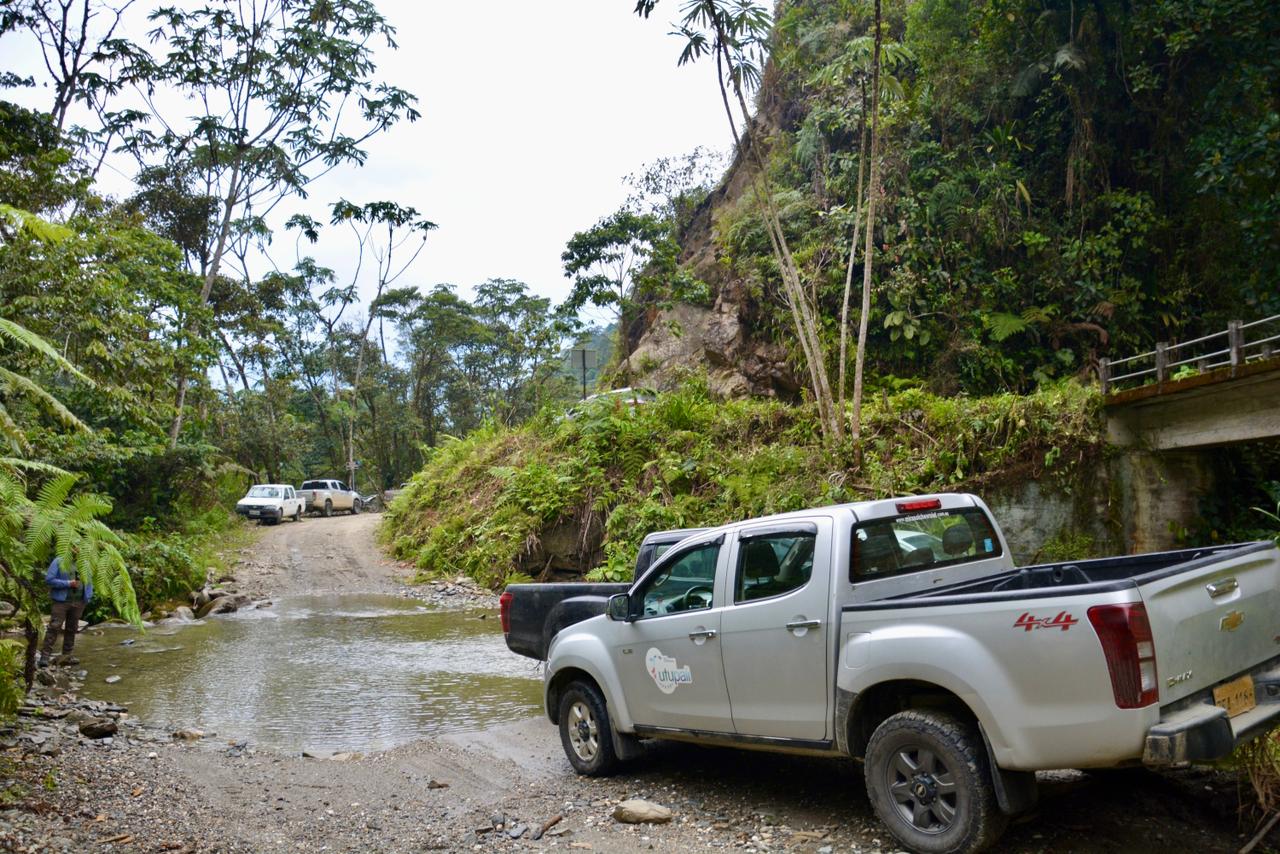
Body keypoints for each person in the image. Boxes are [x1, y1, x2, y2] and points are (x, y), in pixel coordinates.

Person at [39, 554, 92, 667]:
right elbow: (49, 580)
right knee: (54, 627)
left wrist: (88, 596)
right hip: (61, 602)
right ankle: (45, 657)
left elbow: (89, 581)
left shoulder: (85, 562)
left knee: (72, 628)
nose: (77, 548)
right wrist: (68, 583)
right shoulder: (59, 561)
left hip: (79, 602)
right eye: (74, 546)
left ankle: (67, 656)